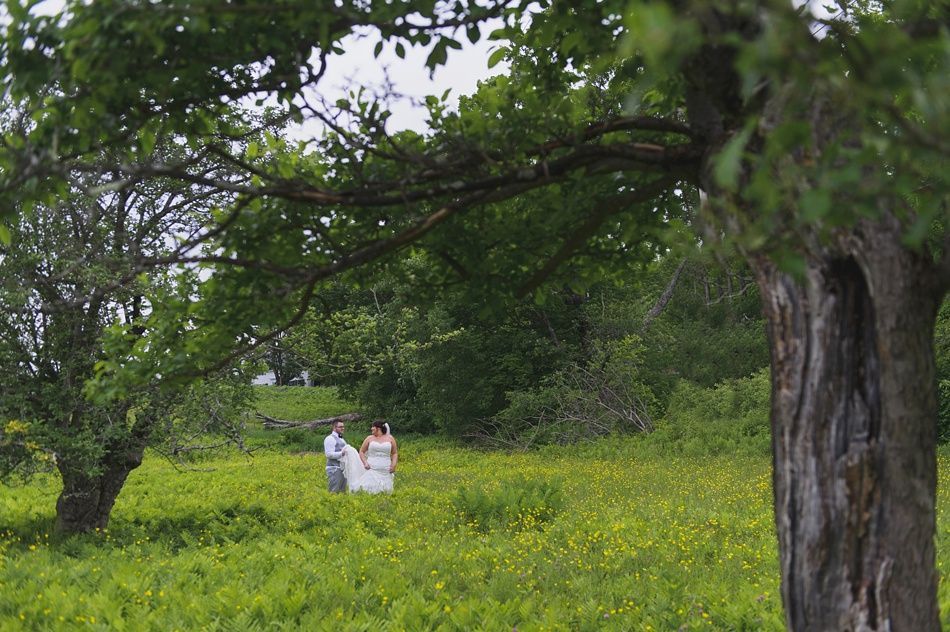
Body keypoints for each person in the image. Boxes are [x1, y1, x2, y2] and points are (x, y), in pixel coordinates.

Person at [341, 420, 397, 494]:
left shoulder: (390, 438)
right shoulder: (369, 438)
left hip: (385, 468)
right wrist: (365, 463)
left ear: (378, 428)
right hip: (372, 467)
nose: (371, 428)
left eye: (373, 427)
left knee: (385, 491)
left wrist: (393, 465)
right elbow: (361, 451)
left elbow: (394, 453)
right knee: (368, 489)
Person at [323, 420, 348, 493]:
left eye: (343, 427)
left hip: (342, 468)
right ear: (334, 428)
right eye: (340, 427)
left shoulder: (342, 439)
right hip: (334, 468)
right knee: (333, 491)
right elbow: (329, 454)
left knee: (342, 492)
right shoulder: (330, 438)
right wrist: (342, 453)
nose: (342, 428)